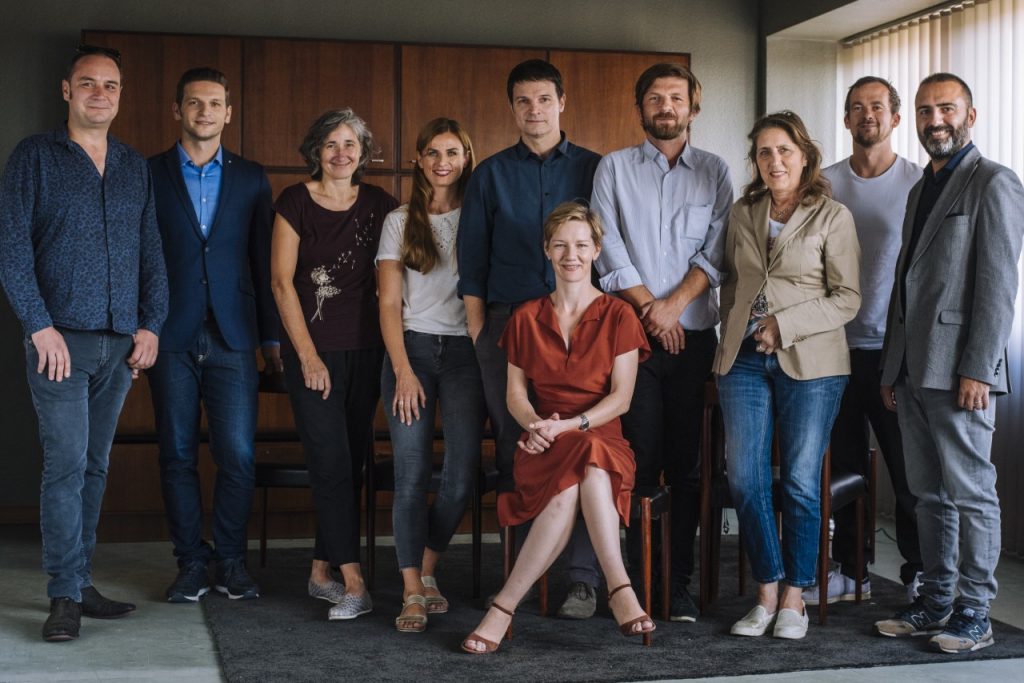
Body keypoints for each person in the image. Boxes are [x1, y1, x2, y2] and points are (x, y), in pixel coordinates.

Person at [0, 45, 168, 641]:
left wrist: (151, 324)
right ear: (67, 91)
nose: (101, 94)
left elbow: (151, 250)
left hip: (118, 344)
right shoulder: (34, 157)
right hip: (59, 343)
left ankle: (81, 580)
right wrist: (38, 325)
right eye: (89, 83)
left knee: (95, 466)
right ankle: (63, 595)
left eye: (111, 85)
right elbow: (11, 247)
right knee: (66, 464)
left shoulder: (132, 165)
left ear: (120, 96)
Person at [875, 73, 1024, 653]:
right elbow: (905, 285)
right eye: (924, 110)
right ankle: (936, 601)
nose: (934, 120)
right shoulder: (921, 188)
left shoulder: (994, 182)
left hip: (961, 370)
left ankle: (976, 612)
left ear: (970, 115)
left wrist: (978, 369)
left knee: (971, 493)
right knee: (927, 494)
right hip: (912, 370)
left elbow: (998, 286)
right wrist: (891, 369)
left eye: (946, 108)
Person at [461, 202, 653, 653]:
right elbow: (515, 396)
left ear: (597, 250)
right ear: (547, 250)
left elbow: (621, 398)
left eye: (582, 245)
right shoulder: (525, 317)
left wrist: (572, 424)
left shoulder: (619, 314)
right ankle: (621, 589)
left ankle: (502, 608)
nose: (572, 255)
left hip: (602, 437)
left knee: (586, 460)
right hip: (542, 443)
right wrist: (536, 426)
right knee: (577, 471)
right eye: (562, 245)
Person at [457, 59, 603, 618]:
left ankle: (582, 580)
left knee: (582, 441)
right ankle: (517, 576)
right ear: (512, 108)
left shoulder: (595, 168)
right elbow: (472, 261)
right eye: (523, 101)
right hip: (508, 327)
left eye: (544, 99)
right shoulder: (490, 175)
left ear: (562, 102)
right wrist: (480, 333)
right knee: (516, 445)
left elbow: (605, 248)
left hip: (580, 325)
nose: (534, 110)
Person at [591, 62, 732, 621]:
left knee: (690, 467)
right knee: (640, 462)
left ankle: (680, 584)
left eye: (676, 97)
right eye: (655, 98)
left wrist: (674, 307)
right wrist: (653, 310)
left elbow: (718, 250)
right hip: (634, 342)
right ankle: (639, 582)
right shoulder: (613, 168)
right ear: (640, 108)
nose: (666, 106)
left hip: (694, 340)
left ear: (693, 107)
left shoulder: (715, 171)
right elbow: (607, 247)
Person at [714, 111, 860, 641]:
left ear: (804, 156)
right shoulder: (743, 211)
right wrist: (735, 334)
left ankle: (796, 596)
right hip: (744, 360)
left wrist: (784, 326)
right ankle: (767, 591)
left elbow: (847, 297)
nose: (774, 161)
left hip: (813, 363)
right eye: (764, 152)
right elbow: (732, 283)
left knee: (799, 480)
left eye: (784, 151)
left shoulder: (833, 215)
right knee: (744, 477)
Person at [147, 67, 280, 603]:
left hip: (233, 334)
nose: (205, 112)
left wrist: (271, 339)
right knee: (176, 454)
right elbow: (137, 255)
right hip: (168, 334)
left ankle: (230, 561)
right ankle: (190, 563)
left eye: (215, 103)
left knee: (238, 455)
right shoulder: (148, 173)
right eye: (194, 103)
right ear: (177, 110)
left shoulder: (252, 178)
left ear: (228, 113)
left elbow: (264, 262)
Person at [270, 108, 398, 620]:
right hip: (313, 354)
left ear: (362, 153)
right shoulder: (294, 202)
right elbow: (282, 283)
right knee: (329, 461)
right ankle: (355, 582)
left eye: (350, 144)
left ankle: (320, 571)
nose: (341, 153)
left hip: (368, 351)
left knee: (349, 463)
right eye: (331, 144)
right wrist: (307, 356)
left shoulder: (382, 205)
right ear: (316, 151)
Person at [802, 76, 923, 608]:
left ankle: (921, 572)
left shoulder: (918, 183)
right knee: (845, 467)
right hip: (832, 348)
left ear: (894, 118)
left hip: (895, 353)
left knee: (908, 470)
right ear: (846, 119)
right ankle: (853, 572)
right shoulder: (823, 184)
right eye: (856, 107)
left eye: (876, 106)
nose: (866, 114)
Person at [376, 118, 485, 633]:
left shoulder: (479, 215)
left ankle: (428, 568)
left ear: (466, 158)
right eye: (433, 153)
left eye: (453, 152)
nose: (443, 162)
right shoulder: (399, 220)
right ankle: (412, 590)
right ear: (418, 160)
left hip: (466, 353)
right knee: (411, 475)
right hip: (412, 350)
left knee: (461, 477)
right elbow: (388, 303)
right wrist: (402, 370)